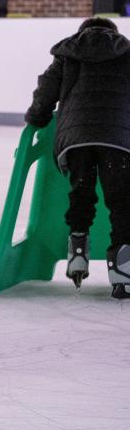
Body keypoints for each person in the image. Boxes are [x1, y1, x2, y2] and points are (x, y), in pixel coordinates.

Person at [24, 16, 130, 298]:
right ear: (114, 33)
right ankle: (123, 272)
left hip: (76, 139)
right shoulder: (126, 52)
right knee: (121, 202)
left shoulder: (68, 54)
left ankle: (78, 252)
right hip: (117, 139)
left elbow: (46, 90)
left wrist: (36, 118)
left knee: (81, 193)